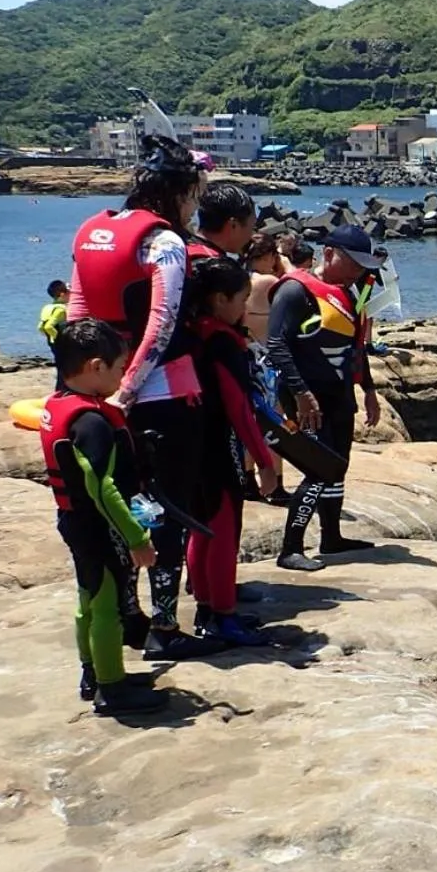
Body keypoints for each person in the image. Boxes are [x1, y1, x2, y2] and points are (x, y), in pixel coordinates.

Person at [68, 134, 209, 645]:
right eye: (194, 195)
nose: (196, 206)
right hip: (163, 399)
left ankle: (127, 618)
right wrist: (127, 391)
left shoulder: (92, 231)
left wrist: (84, 391)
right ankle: (166, 625)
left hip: (97, 398)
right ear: (177, 193)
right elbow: (162, 323)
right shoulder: (165, 241)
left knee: (116, 508)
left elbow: (77, 317)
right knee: (166, 508)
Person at [39, 319, 163, 714]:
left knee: (88, 598)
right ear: (95, 367)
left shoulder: (58, 404)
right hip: (100, 525)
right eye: (119, 367)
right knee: (107, 604)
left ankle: (92, 672)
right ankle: (112, 689)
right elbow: (102, 486)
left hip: (74, 521)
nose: (123, 375)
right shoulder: (90, 421)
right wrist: (136, 538)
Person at [267, 224, 383, 572]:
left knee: (338, 466)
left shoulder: (348, 294)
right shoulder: (294, 290)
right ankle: (291, 548)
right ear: (329, 254)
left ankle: (331, 537)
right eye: (354, 263)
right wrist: (301, 394)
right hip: (305, 398)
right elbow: (276, 345)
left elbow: (355, 351)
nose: (360, 271)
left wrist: (370, 391)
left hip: (338, 397)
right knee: (318, 469)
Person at [184, 256, 280, 644]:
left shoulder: (194, 332)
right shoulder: (223, 342)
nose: (246, 307)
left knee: (200, 529)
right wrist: (264, 461)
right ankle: (223, 617)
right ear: (220, 299)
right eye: (242, 299)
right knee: (223, 530)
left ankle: (206, 608)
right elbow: (238, 405)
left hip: (191, 445)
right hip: (218, 446)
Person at [186, 180, 257, 261]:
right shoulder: (219, 267)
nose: (252, 236)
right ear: (233, 225)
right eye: (252, 227)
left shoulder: (182, 250)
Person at [241, 233, 284, 344]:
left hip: (248, 345)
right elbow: (298, 291)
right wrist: (286, 266)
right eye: (275, 256)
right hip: (265, 349)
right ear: (267, 257)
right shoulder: (268, 281)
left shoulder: (240, 278)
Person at [38, 280, 70, 348]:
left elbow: (40, 327)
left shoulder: (47, 307)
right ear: (62, 294)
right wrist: (58, 338)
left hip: (50, 340)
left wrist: (50, 337)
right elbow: (48, 326)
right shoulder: (61, 310)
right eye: (69, 292)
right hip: (61, 342)